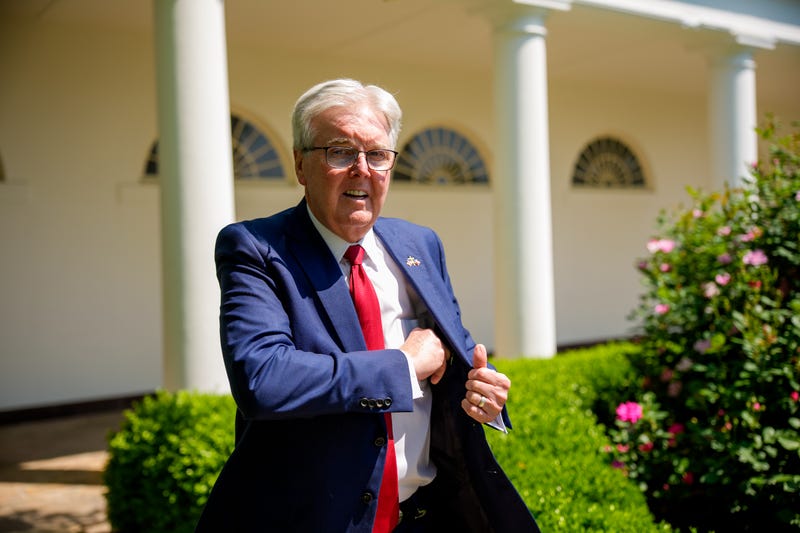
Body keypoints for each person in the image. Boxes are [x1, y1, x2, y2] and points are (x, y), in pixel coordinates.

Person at [195, 79, 539, 533]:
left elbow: (451, 356)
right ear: (300, 163)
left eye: (377, 154)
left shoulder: (420, 243)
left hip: (423, 515)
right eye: (340, 151)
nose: (362, 169)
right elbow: (264, 379)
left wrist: (481, 392)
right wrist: (403, 364)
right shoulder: (256, 247)